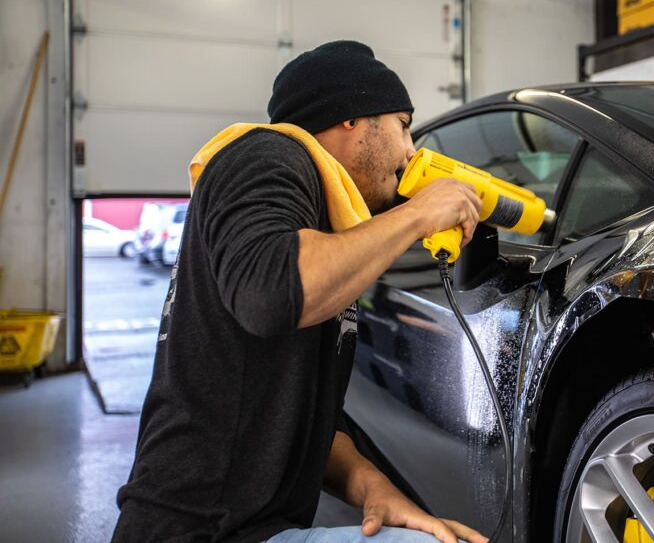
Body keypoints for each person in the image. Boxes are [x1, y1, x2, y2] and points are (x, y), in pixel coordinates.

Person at [113, 41, 485, 543]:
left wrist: (374, 485)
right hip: (199, 531)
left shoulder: (326, 223)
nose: (410, 150)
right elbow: (271, 293)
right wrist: (417, 214)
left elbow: (300, 426)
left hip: (260, 528)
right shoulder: (267, 155)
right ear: (352, 118)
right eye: (402, 124)